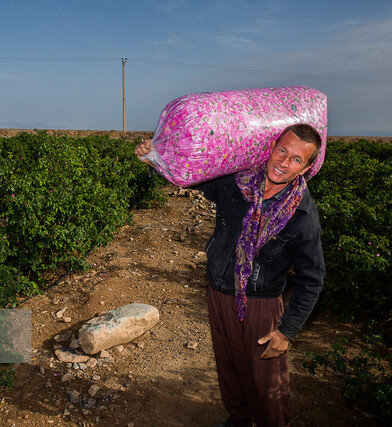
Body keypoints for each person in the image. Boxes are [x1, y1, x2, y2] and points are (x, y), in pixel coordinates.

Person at [135, 124, 325, 427]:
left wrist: (286, 331)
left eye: (296, 159)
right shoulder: (238, 184)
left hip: (260, 305)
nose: (284, 162)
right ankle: (237, 420)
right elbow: (190, 177)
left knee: (267, 383)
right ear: (272, 147)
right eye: (283, 151)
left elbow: (312, 278)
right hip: (219, 291)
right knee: (229, 367)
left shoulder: (302, 215)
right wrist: (155, 158)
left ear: (306, 167)